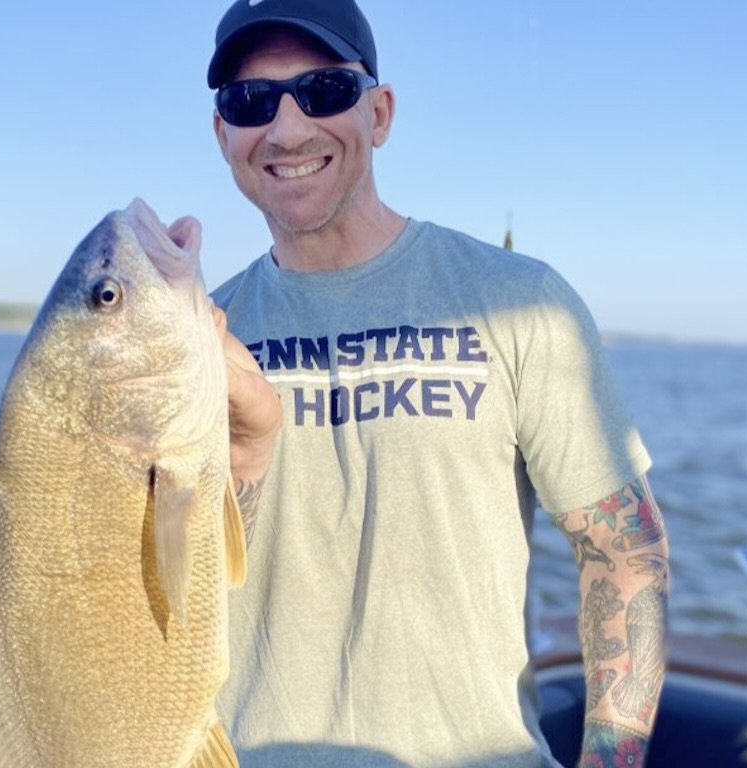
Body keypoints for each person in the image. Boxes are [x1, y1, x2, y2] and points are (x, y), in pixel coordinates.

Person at [208, 1, 671, 766]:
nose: (287, 130)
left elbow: (625, 554)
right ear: (224, 134)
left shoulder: (522, 302)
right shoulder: (194, 338)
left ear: (380, 112)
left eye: (324, 90)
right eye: (251, 102)